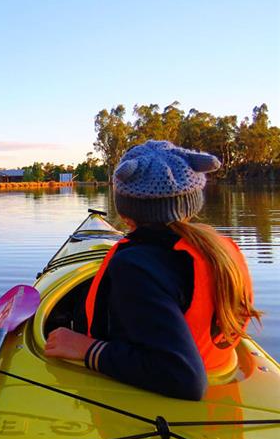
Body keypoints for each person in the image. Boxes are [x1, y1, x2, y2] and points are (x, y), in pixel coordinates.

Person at [44, 140, 261, 400]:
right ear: (192, 203)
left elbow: (186, 379)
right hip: (222, 372)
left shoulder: (134, 265)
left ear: (125, 212)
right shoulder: (221, 247)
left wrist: (87, 349)